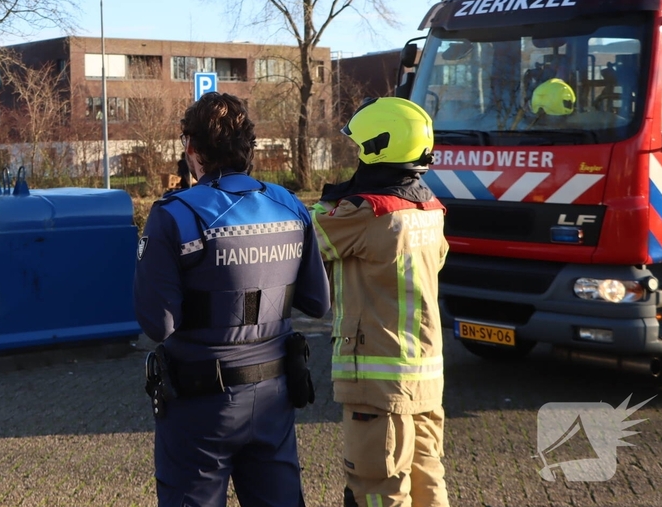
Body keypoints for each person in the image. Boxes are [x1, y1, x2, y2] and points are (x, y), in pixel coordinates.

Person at [134, 92, 331, 507]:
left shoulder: (175, 214)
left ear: (192, 147)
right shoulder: (291, 206)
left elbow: (159, 324)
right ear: (249, 146)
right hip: (274, 398)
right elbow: (318, 303)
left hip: (200, 406)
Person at [312, 97, 450, 507]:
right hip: (424, 376)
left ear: (377, 150)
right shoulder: (429, 207)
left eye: (359, 148)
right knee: (427, 480)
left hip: (377, 381)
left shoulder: (367, 213)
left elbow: (306, 239)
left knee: (376, 488)